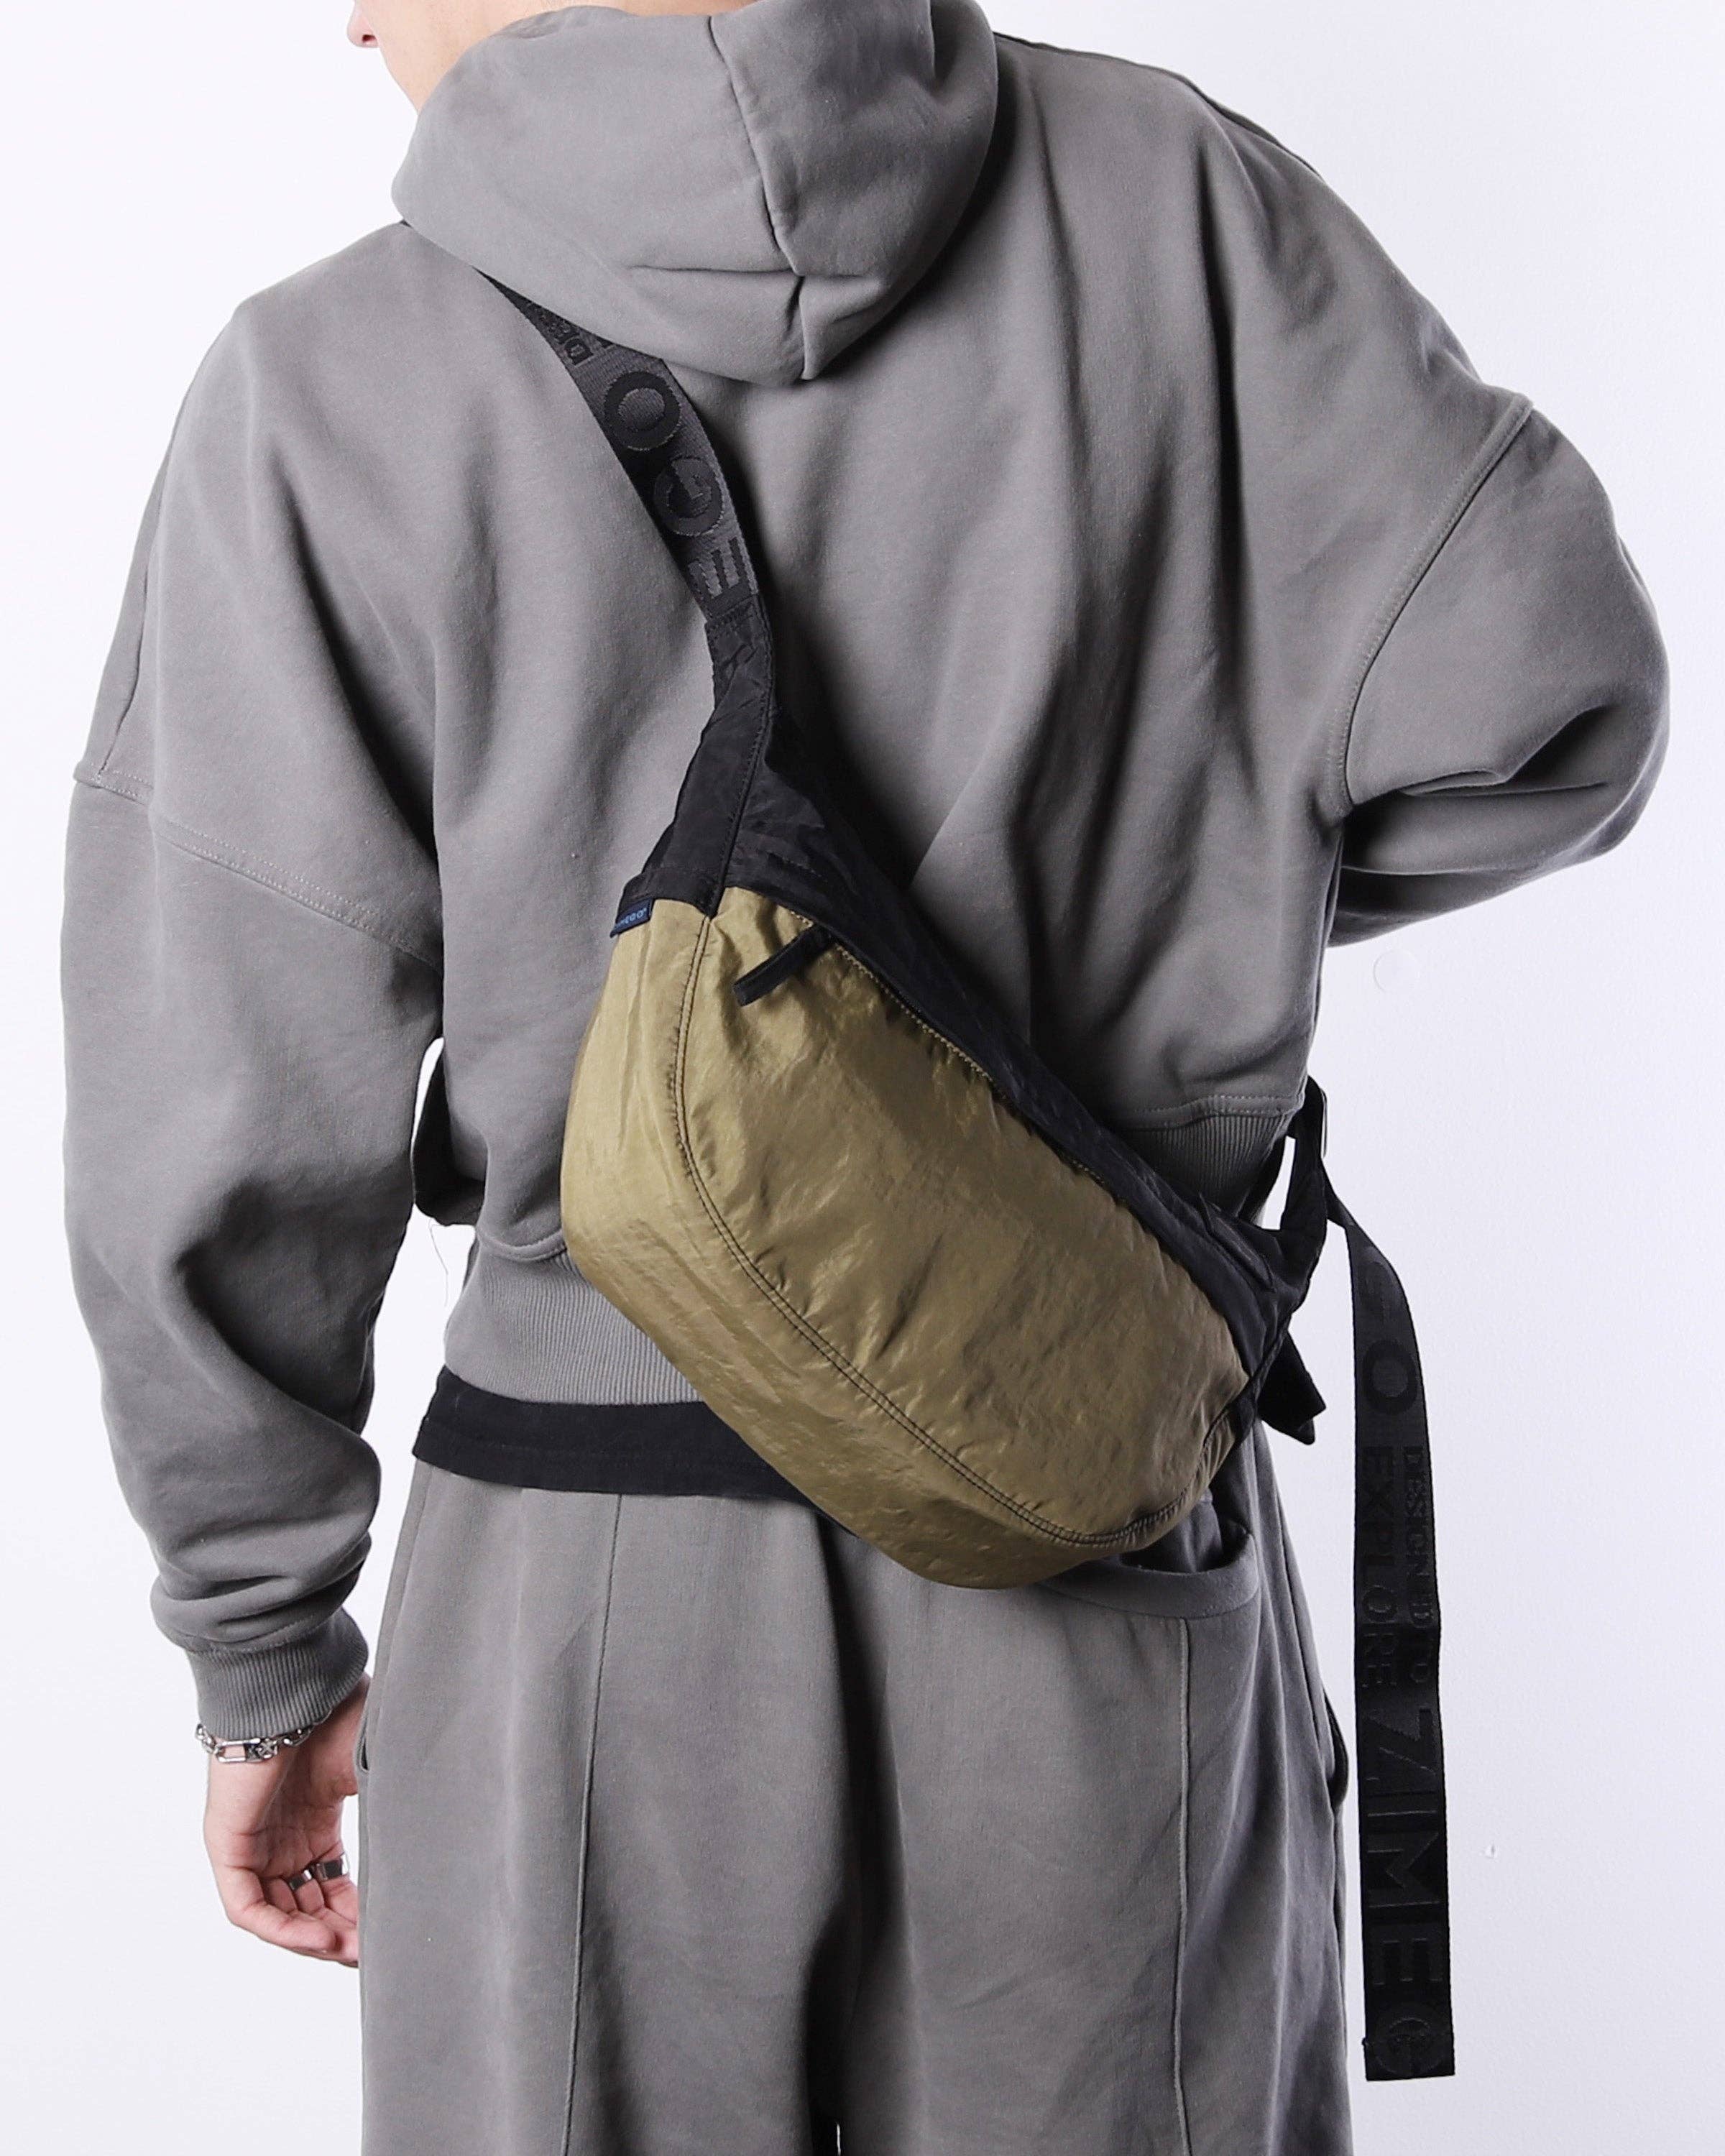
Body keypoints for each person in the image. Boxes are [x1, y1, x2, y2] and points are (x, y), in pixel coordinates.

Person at [62, 1, 1668, 2150]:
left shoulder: (323, 377)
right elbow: (1553, 706)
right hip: (1095, 1482)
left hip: (589, 1566)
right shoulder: (1183, 205)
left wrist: (262, 1653)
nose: (343, 13)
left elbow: (214, 1115)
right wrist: (1161, 935)